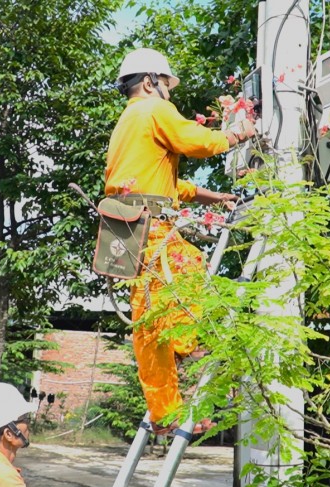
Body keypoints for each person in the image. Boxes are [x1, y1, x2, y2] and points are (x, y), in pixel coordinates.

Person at [105, 47, 255, 434]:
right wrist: (238, 133)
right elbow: (198, 143)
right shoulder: (153, 109)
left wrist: (211, 196)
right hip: (147, 224)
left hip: (125, 225)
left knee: (149, 321)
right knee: (187, 271)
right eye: (167, 84)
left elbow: (162, 178)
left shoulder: (128, 119)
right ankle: (190, 347)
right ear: (151, 81)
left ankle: (164, 411)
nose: (170, 92)